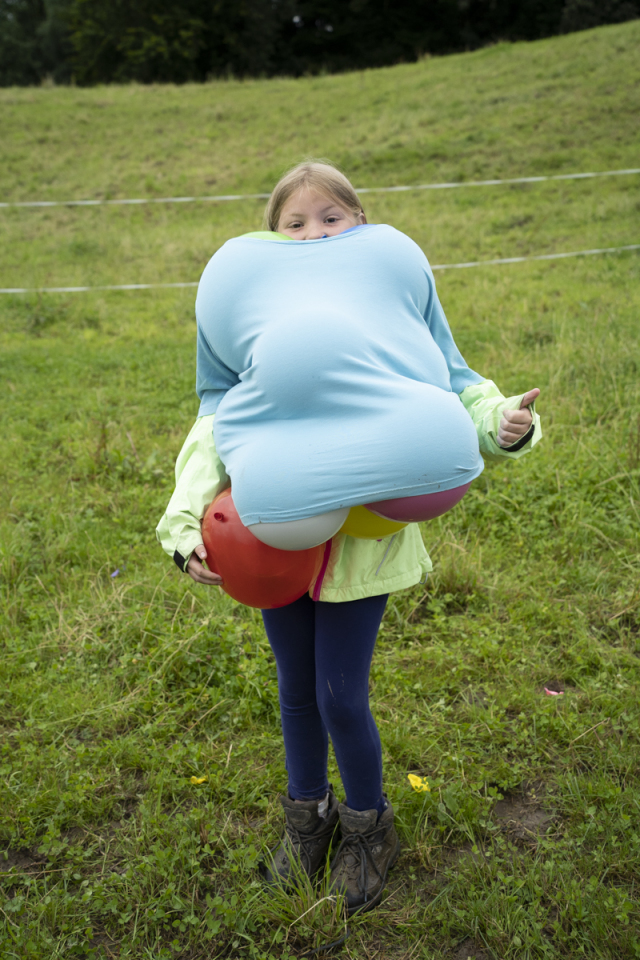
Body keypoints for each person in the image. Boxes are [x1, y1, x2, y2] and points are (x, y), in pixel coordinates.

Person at [156, 160, 541, 915]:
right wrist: (181, 523)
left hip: (365, 551)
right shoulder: (251, 307)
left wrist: (504, 424)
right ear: (272, 240)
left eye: (331, 218)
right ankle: (307, 819)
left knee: (340, 695)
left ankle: (369, 826)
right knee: (296, 692)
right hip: (273, 545)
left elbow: (451, 380)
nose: (315, 235)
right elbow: (217, 418)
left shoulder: (391, 289)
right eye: (295, 223)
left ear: (361, 224)